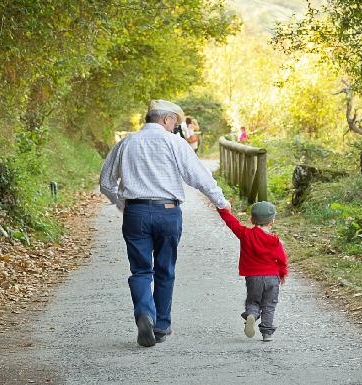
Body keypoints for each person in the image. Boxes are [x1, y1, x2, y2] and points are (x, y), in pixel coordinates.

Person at [100, 99, 231, 347]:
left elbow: (106, 182)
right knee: (165, 270)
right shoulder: (175, 143)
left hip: (135, 213)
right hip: (168, 212)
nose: (174, 127)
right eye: (174, 122)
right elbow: (199, 178)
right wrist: (221, 202)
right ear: (166, 119)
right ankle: (161, 325)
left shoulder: (126, 143)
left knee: (140, 270)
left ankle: (144, 314)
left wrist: (121, 204)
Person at [216, 201, 288, 342]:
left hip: (253, 277)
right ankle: (267, 333)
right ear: (272, 221)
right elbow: (282, 260)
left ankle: (252, 315)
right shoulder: (275, 241)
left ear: (252, 219)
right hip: (272, 278)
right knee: (269, 304)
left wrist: (222, 209)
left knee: (253, 301)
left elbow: (232, 223)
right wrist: (281, 274)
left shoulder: (245, 234)